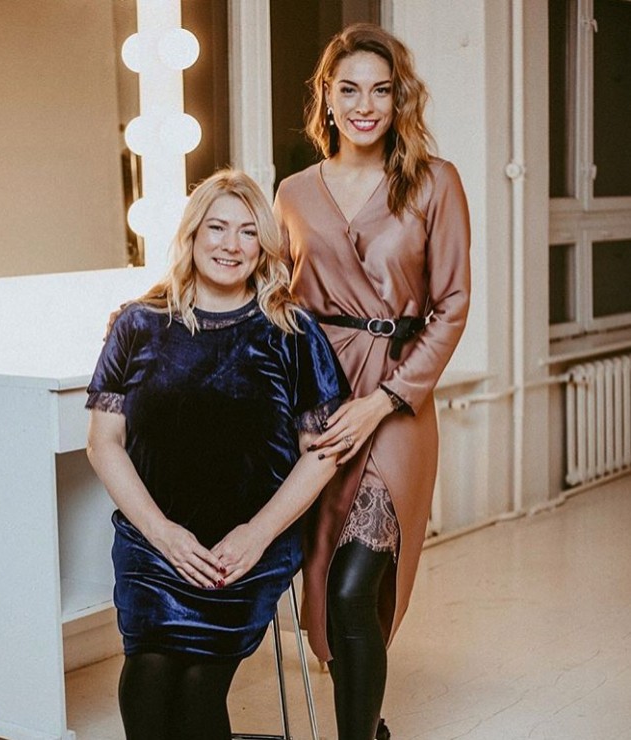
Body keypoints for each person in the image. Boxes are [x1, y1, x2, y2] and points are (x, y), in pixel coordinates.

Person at [85, 169, 350, 740]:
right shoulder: (138, 324)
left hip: (250, 545)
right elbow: (103, 443)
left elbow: (322, 454)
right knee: (150, 674)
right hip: (154, 542)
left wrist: (257, 535)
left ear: (264, 247)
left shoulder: (292, 332)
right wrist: (163, 534)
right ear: (192, 234)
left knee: (197, 687)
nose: (231, 245)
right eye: (217, 227)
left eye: (248, 232)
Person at [273, 23, 471, 740]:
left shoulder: (434, 181)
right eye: (349, 90)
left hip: (396, 403)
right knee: (328, 585)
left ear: (398, 99)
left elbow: (452, 304)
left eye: (381, 91)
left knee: (356, 588)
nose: (365, 106)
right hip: (321, 402)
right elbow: (277, 302)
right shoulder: (293, 192)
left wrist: (385, 401)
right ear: (325, 97)